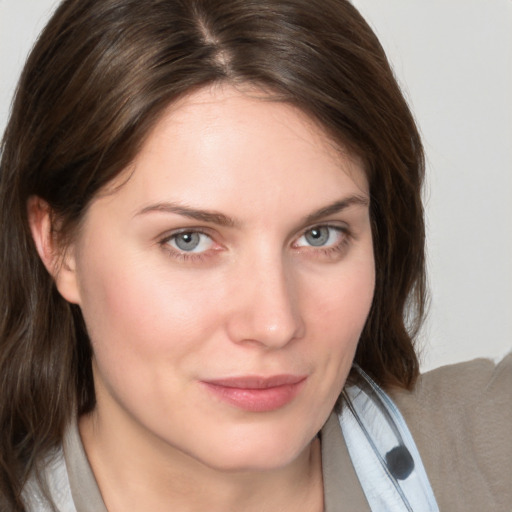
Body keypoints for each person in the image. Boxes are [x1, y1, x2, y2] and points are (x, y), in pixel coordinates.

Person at [0, 0, 510, 511]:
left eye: (320, 235)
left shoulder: (488, 457)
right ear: (58, 244)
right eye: (189, 240)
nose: (274, 324)